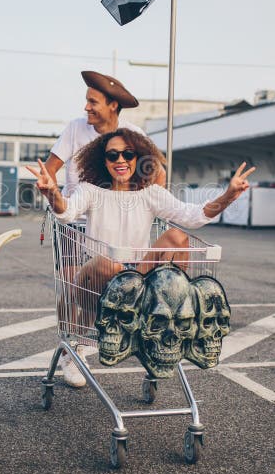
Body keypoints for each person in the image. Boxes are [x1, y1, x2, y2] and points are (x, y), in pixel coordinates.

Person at [28, 128, 255, 387]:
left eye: (128, 154)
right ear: (103, 160)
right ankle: (77, 347)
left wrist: (228, 195)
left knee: (177, 237)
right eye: (113, 155)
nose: (121, 160)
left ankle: (169, 308)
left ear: (139, 158)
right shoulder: (90, 191)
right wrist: (52, 193)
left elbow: (193, 216)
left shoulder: (150, 194)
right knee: (108, 263)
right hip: (96, 285)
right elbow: (67, 212)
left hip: (138, 286)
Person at [42, 71, 164, 386]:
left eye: (93, 102)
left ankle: (96, 338)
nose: (87, 108)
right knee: (72, 287)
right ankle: (74, 349)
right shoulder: (74, 129)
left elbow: (158, 177)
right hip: (74, 221)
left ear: (112, 105)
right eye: (86, 101)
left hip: (112, 224)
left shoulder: (133, 134)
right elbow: (51, 169)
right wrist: (55, 196)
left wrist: (146, 202)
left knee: (110, 286)